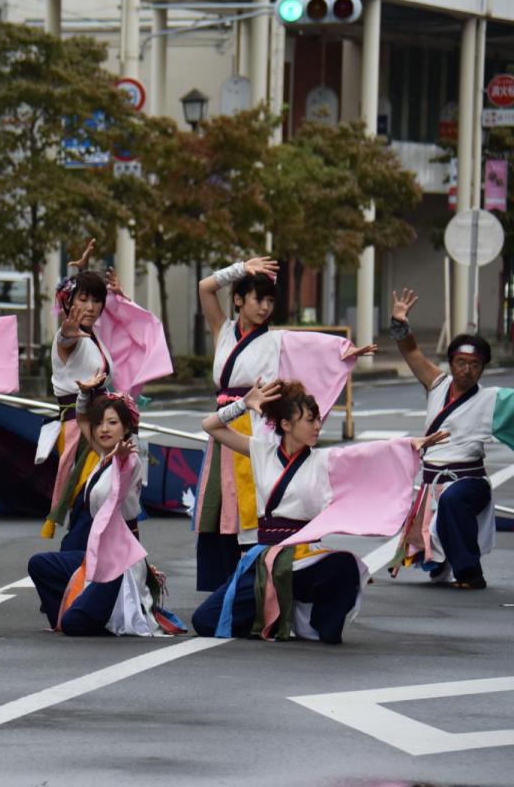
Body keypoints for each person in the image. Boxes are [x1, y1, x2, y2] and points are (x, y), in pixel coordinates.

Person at [190, 379, 443, 644]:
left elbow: (368, 454)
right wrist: (243, 404)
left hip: (305, 556)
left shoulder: (325, 460)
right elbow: (211, 426)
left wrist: (408, 445)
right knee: (205, 620)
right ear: (286, 425)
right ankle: (272, 615)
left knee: (344, 566)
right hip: (266, 559)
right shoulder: (261, 451)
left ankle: (319, 623)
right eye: (310, 420)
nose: (318, 426)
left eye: (318, 419)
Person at [192, 257, 376, 592]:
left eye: (269, 300)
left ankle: (254, 584)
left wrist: (345, 352)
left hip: (256, 426)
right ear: (238, 300)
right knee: (222, 508)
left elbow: (317, 349)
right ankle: (222, 589)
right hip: (225, 423)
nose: (265, 307)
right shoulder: (222, 330)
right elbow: (205, 287)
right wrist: (240, 269)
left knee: (252, 508)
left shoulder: (278, 340)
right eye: (257, 299)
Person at [38, 240, 172, 541]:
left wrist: (88, 274)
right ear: (69, 303)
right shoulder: (68, 338)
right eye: (83, 300)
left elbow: (99, 322)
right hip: (81, 427)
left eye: (96, 300)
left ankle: (113, 555)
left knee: (108, 496)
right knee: (90, 496)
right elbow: (67, 336)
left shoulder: (93, 337)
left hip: (99, 424)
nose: (90, 307)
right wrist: (68, 330)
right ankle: (83, 558)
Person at [386, 288, 514, 589]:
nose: (466, 370)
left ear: (483, 368)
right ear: (451, 362)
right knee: (441, 512)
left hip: (469, 482)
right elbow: (411, 352)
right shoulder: (436, 384)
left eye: (474, 365)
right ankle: (442, 560)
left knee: (453, 500)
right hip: (432, 482)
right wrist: (399, 322)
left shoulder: (493, 400)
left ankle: (471, 574)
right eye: (461, 362)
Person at [27, 389, 183, 636]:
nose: (104, 429)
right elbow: (81, 418)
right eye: (99, 423)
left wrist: (121, 460)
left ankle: (93, 615)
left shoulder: (131, 460)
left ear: (126, 427)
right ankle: (76, 612)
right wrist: (83, 395)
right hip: (96, 558)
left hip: (120, 566)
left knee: (74, 625)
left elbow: (120, 486)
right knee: (39, 564)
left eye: (112, 422)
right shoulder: (102, 456)